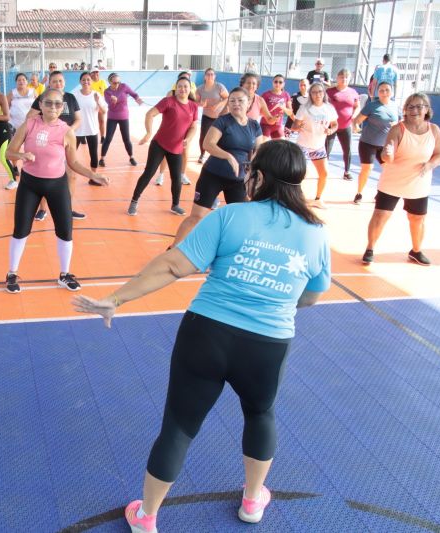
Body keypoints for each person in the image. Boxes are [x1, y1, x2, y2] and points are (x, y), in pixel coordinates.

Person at [72, 139, 331, 533]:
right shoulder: (315, 233)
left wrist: (116, 299)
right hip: (267, 345)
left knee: (178, 425)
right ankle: (252, 502)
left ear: (258, 175)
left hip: (206, 334)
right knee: (260, 414)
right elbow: (310, 297)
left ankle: (147, 517)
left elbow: (174, 264)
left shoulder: (230, 217)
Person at [4, 88, 109, 294]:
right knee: (21, 230)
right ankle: (11, 273)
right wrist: (22, 155)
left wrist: (93, 175)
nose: (53, 107)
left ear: (63, 107)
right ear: (40, 105)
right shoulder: (29, 125)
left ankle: (65, 274)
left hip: (57, 185)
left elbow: (74, 163)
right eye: (48, 103)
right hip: (30, 184)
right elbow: (9, 152)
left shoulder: (66, 131)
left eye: (57, 104)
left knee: (65, 231)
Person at [172, 86, 265, 245]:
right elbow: (208, 144)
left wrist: (254, 171)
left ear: (248, 103)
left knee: (239, 220)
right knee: (196, 217)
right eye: (232, 101)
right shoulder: (223, 121)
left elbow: (258, 149)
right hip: (213, 175)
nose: (236, 104)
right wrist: (228, 156)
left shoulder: (254, 125)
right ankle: (173, 248)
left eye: (240, 100)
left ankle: (231, 251)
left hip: (238, 179)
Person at [362, 93, 440, 266]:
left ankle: (416, 251)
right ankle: (370, 248)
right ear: (405, 110)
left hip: (418, 184)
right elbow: (388, 154)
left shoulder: (434, 130)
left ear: (427, 110)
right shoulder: (397, 129)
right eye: (411, 107)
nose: (415, 110)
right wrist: (387, 154)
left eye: (420, 106)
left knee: (417, 219)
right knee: (381, 215)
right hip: (392, 182)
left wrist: (430, 165)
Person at [127, 77, 198, 218]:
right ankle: (134, 201)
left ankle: (175, 205)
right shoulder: (168, 102)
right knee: (149, 173)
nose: (183, 89)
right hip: (159, 144)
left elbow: (194, 126)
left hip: (177, 148)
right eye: (180, 86)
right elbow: (150, 114)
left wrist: (188, 139)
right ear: (175, 89)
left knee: (176, 178)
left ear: (190, 89)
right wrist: (148, 132)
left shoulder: (193, 106)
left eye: (185, 86)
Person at [26, 70, 84, 219]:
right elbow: (30, 117)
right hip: (46, 142)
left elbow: (78, 119)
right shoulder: (43, 98)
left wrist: (66, 131)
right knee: (46, 174)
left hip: (66, 141)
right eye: (54, 81)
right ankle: (43, 209)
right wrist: (48, 124)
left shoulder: (70, 98)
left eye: (60, 81)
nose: (58, 84)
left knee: (71, 174)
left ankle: (67, 208)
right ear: (49, 84)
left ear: (64, 82)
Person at [292, 82, 338, 209]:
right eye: (314, 92)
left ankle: (318, 199)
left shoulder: (329, 108)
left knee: (324, 173)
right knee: (302, 174)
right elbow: (294, 126)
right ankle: (296, 198)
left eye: (320, 92)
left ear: (324, 93)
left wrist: (331, 130)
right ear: (310, 94)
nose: (317, 94)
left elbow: (335, 124)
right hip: (303, 145)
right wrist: (298, 126)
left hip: (318, 146)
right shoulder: (304, 108)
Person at [352, 82, 399, 204]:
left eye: (387, 90)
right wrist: (356, 126)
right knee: (367, 168)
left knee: (388, 169)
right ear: (378, 92)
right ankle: (359, 193)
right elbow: (357, 121)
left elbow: (396, 125)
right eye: (381, 90)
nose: (384, 92)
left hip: (385, 145)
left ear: (391, 92)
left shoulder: (395, 106)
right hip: (368, 143)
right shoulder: (372, 106)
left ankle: (380, 193)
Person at [100, 72, 143, 167]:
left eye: (118, 82)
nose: (117, 84)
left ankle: (131, 157)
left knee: (126, 139)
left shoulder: (124, 86)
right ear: (110, 82)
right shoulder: (107, 92)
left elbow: (133, 94)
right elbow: (109, 104)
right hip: (112, 117)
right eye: (115, 83)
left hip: (124, 117)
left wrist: (137, 99)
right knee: (108, 139)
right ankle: (102, 158)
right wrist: (113, 101)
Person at [73, 71, 106, 186]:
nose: (86, 82)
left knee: (93, 155)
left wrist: (98, 102)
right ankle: (64, 176)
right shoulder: (75, 95)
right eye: (84, 80)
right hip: (77, 130)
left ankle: (94, 178)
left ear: (91, 81)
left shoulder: (96, 95)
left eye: (88, 80)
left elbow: (104, 111)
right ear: (80, 81)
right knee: (70, 153)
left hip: (92, 129)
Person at [326, 69, 360, 180]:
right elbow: (323, 106)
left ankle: (347, 171)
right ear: (337, 78)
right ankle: (324, 171)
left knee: (347, 149)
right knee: (327, 149)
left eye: (346, 77)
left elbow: (357, 106)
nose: (344, 79)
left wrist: (354, 116)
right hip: (332, 125)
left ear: (349, 79)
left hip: (346, 126)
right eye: (341, 77)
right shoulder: (330, 92)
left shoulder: (353, 92)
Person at [195, 68, 228, 163]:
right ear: (205, 76)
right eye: (208, 74)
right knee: (203, 136)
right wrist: (201, 104)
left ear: (215, 76)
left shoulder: (219, 87)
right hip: (207, 116)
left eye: (212, 74)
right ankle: (202, 154)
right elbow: (195, 103)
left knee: (220, 137)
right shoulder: (200, 88)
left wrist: (218, 105)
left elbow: (227, 98)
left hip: (220, 117)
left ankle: (219, 155)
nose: (210, 76)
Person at [260, 74, 293, 140]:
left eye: (280, 82)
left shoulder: (286, 95)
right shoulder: (266, 95)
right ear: (272, 83)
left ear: (283, 84)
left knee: (282, 147)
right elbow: (260, 110)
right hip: (265, 125)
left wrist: (283, 108)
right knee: (262, 147)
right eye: (276, 82)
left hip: (277, 126)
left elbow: (290, 112)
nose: (278, 84)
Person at [88, 67, 108, 140]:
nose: (96, 73)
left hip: (101, 104)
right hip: (91, 104)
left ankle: (102, 137)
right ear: (90, 74)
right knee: (90, 121)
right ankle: (85, 137)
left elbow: (107, 92)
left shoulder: (102, 82)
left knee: (102, 121)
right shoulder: (89, 82)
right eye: (94, 72)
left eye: (97, 72)